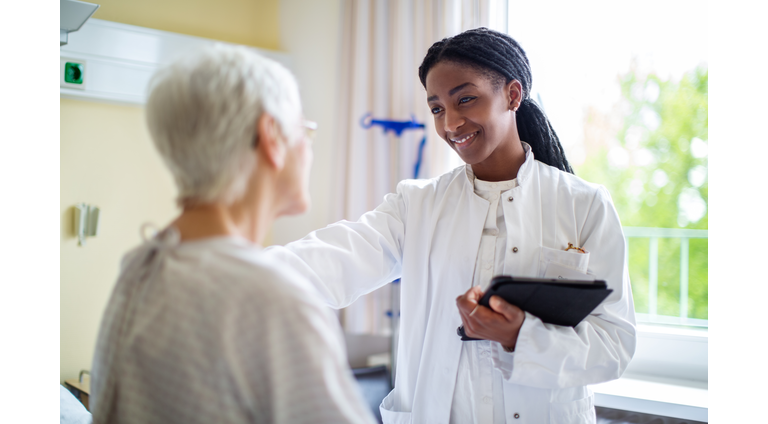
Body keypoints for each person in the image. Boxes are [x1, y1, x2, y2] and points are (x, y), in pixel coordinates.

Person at [266, 28, 636, 424]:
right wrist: (229, 268)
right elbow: (334, 256)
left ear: (512, 95)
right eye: (437, 108)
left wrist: (519, 338)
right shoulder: (417, 204)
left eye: (465, 99)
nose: (451, 123)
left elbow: (613, 344)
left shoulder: (584, 204)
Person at [89, 44, 376, 424]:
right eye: (304, 130)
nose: (308, 149)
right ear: (271, 136)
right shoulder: (273, 300)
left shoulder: (140, 267)